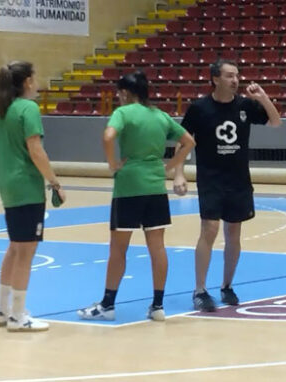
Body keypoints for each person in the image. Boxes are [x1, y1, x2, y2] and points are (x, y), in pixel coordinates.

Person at [78, 71, 195, 321]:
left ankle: (107, 305)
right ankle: (158, 306)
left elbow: (108, 136)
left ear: (125, 93)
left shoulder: (123, 112)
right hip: (155, 187)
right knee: (157, 247)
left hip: (129, 186)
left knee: (118, 249)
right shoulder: (161, 116)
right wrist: (171, 166)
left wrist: (113, 163)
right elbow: (188, 142)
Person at [174, 59, 282, 312]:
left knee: (233, 234)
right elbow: (182, 142)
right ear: (215, 79)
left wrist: (263, 98)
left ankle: (227, 286)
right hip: (211, 179)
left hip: (239, 180)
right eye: (229, 75)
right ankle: (199, 290)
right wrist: (178, 173)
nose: (235, 80)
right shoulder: (199, 108)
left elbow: (276, 122)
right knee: (209, 230)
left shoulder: (245, 106)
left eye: (237, 75)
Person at [0, 61, 65, 332]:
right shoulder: (28, 109)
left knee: (14, 247)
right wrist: (54, 182)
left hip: (7, 185)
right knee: (26, 252)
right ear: (27, 82)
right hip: (26, 186)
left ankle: (2, 309)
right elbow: (36, 150)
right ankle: (18, 317)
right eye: (34, 78)